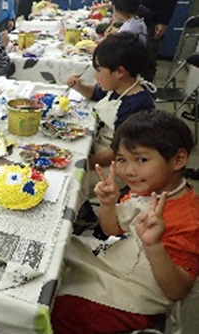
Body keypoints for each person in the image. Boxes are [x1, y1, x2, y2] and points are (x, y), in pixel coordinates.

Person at [52, 109, 199, 334]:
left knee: (58, 310)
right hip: (114, 265)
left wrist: (154, 246)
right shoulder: (145, 189)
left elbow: (177, 291)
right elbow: (113, 231)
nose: (129, 171)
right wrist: (108, 204)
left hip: (137, 299)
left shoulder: (188, 218)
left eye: (141, 159)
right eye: (121, 160)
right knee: (54, 254)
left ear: (178, 159)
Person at [65, 33, 155, 170]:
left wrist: (85, 166)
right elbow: (95, 93)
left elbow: (119, 151)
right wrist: (79, 86)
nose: (95, 76)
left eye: (99, 70)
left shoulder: (137, 105)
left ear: (120, 72)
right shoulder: (119, 86)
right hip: (98, 146)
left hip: (113, 165)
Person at [139, 0, 178, 81]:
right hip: (136, 12)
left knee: (149, 54)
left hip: (154, 18)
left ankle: (146, 85)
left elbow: (170, 2)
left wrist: (163, 21)